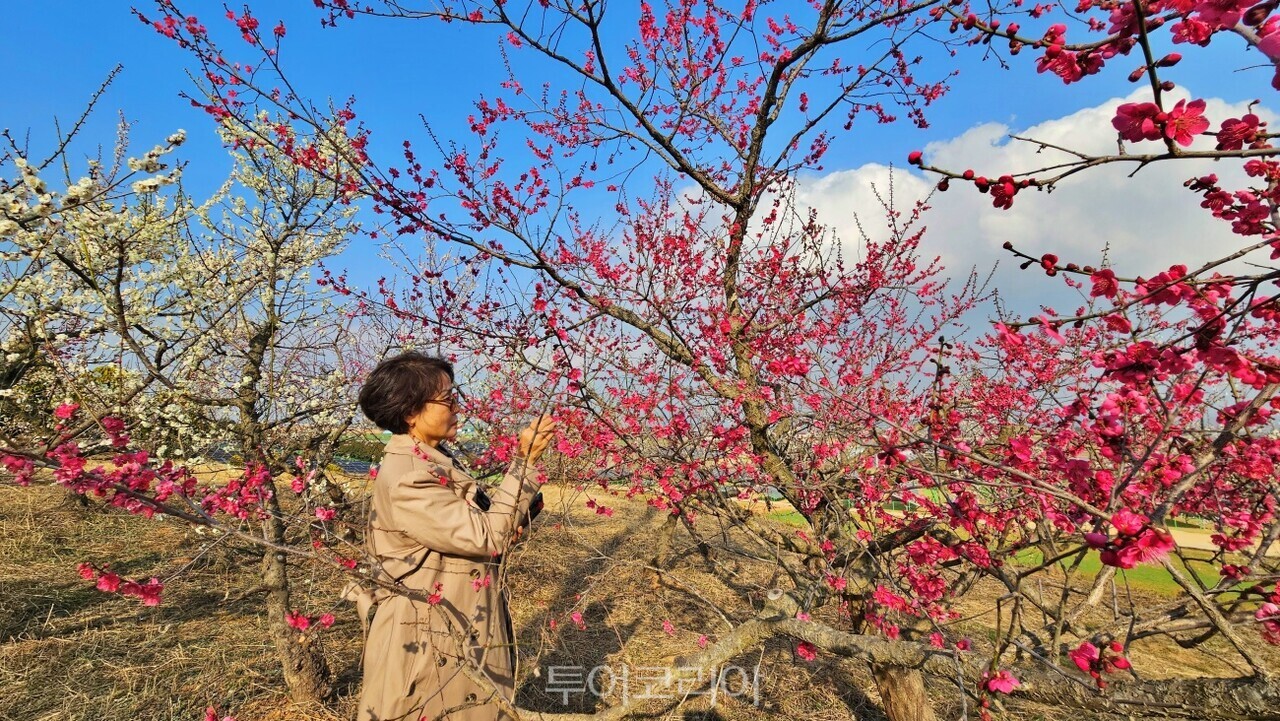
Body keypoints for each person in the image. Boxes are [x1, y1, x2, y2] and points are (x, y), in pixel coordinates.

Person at [352, 351, 555, 721]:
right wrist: (524, 462)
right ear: (410, 412)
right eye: (447, 399)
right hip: (431, 641)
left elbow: (473, 535)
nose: (457, 406)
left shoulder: (433, 460)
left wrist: (510, 522)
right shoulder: (409, 477)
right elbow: (487, 536)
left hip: (454, 622)